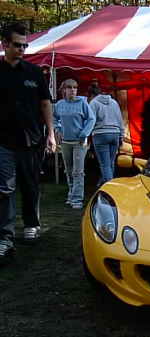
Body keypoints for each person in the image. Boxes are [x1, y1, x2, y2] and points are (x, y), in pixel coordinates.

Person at [0, 22, 56, 262]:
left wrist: (51, 134)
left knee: (30, 184)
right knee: (5, 188)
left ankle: (31, 224)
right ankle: (5, 237)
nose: (22, 49)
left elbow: (45, 104)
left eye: (25, 45)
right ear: (5, 44)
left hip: (32, 141)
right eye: (17, 45)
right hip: (3, 141)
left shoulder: (34, 73)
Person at [54, 78, 95, 209]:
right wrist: (58, 128)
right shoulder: (59, 104)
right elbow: (54, 118)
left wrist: (84, 133)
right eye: (70, 87)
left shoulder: (83, 103)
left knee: (78, 171)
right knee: (68, 170)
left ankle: (77, 199)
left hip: (79, 142)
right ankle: (71, 194)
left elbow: (91, 119)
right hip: (65, 142)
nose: (73, 90)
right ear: (64, 90)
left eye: (75, 87)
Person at [89, 86, 124, 185]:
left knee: (105, 164)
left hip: (100, 134)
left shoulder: (93, 103)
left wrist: (86, 134)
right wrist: (121, 135)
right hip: (115, 134)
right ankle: (103, 182)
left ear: (91, 95)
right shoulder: (114, 102)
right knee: (110, 162)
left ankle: (110, 187)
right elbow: (120, 120)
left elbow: (91, 120)